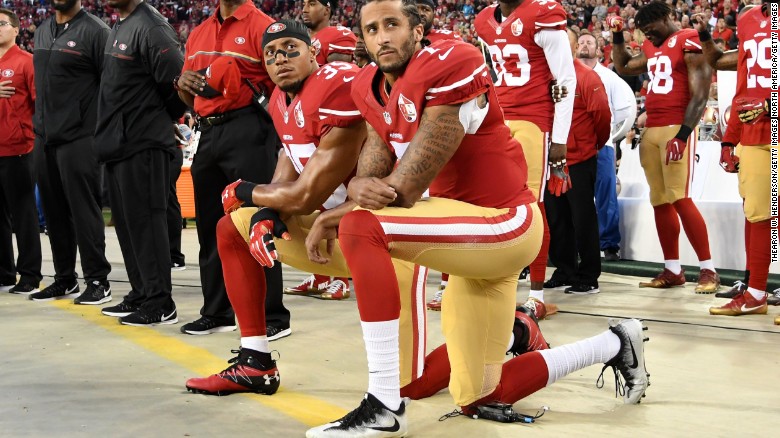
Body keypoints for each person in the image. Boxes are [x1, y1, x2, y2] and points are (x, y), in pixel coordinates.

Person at [305, 3, 649, 436]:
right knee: (474, 395)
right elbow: (371, 174)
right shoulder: (369, 85)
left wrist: (345, 205)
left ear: (418, 29)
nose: (382, 37)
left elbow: (404, 188)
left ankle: (381, 405)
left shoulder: (454, 60)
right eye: (371, 29)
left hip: (504, 222)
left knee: (361, 226)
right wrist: (353, 191)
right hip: (466, 246)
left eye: (392, 24)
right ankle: (613, 342)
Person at [184, 20, 428, 395]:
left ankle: (509, 335)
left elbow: (304, 197)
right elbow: (287, 181)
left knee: (412, 385)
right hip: (340, 230)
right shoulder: (281, 100)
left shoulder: (336, 86)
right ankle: (255, 362)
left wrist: (244, 190)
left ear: (314, 52)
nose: (280, 59)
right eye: (271, 54)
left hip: (393, 237)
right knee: (232, 227)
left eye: (290, 49)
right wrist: (267, 213)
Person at [435, 0, 574, 318]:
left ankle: (536, 295)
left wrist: (560, 141)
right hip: (497, 118)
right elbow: (490, 76)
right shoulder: (485, 20)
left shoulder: (542, 13)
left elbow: (565, 80)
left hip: (533, 118)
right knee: (483, 202)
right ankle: (479, 282)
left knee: (532, 206)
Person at [175, 0, 286, 337]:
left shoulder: (264, 26)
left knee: (257, 223)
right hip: (207, 130)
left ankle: (273, 318)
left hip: (249, 130)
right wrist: (184, 86)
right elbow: (187, 97)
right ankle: (217, 312)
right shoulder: (198, 33)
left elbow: (283, 83)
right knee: (209, 226)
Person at [609, 1, 720, 293]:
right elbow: (622, 66)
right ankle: (673, 268)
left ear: (668, 17)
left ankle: (708, 269)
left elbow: (701, 93)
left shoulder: (688, 39)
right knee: (659, 200)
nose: (649, 35)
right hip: (652, 129)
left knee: (680, 198)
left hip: (675, 127)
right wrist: (618, 36)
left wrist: (683, 135)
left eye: (652, 28)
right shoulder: (651, 46)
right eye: (644, 32)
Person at [95, 0, 185, 326]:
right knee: (129, 226)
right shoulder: (121, 23)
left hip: (143, 142)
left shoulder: (151, 26)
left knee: (147, 225)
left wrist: (157, 121)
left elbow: (178, 85)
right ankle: (142, 292)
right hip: (119, 144)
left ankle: (161, 303)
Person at [692, 2, 776, 323]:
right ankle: (756, 294)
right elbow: (745, 83)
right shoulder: (749, 17)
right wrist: (730, 137)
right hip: (755, 133)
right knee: (757, 214)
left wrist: (770, 104)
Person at [28, 0, 113, 304]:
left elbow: (110, 85)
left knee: (84, 211)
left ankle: (98, 280)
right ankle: (65, 279)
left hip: (80, 136)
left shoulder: (97, 31)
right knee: (54, 212)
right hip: (44, 136)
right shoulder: (41, 31)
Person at [545, 28, 611, 295]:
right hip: (552, 160)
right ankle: (565, 269)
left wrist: (591, 147)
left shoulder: (586, 77)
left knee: (582, 217)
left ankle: (588, 276)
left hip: (580, 159)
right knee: (557, 217)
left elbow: (603, 118)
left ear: (572, 49)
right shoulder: (543, 78)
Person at [577, 31, 638, 262]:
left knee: (606, 195)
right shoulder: (567, 75)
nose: (584, 45)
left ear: (598, 49)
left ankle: (610, 244)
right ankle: (580, 245)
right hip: (575, 146)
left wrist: (612, 136)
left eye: (589, 42)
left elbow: (624, 110)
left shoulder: (609, 78)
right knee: (577, 198)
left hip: (601, 145)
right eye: (581, 42)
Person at [0, 7, 42, 296]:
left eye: (2, 24)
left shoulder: (27, 61)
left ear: (16, 29)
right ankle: (3, 273)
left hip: (19, 150)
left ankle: (29, 275)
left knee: (24, 214)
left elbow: (40, 106)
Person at [304, 0, 357, 65]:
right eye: (304, 4)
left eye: (312, 4)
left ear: (326, 10)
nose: (304, 10)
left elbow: (340, 73)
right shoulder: (299, 39)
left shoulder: (337, 35)